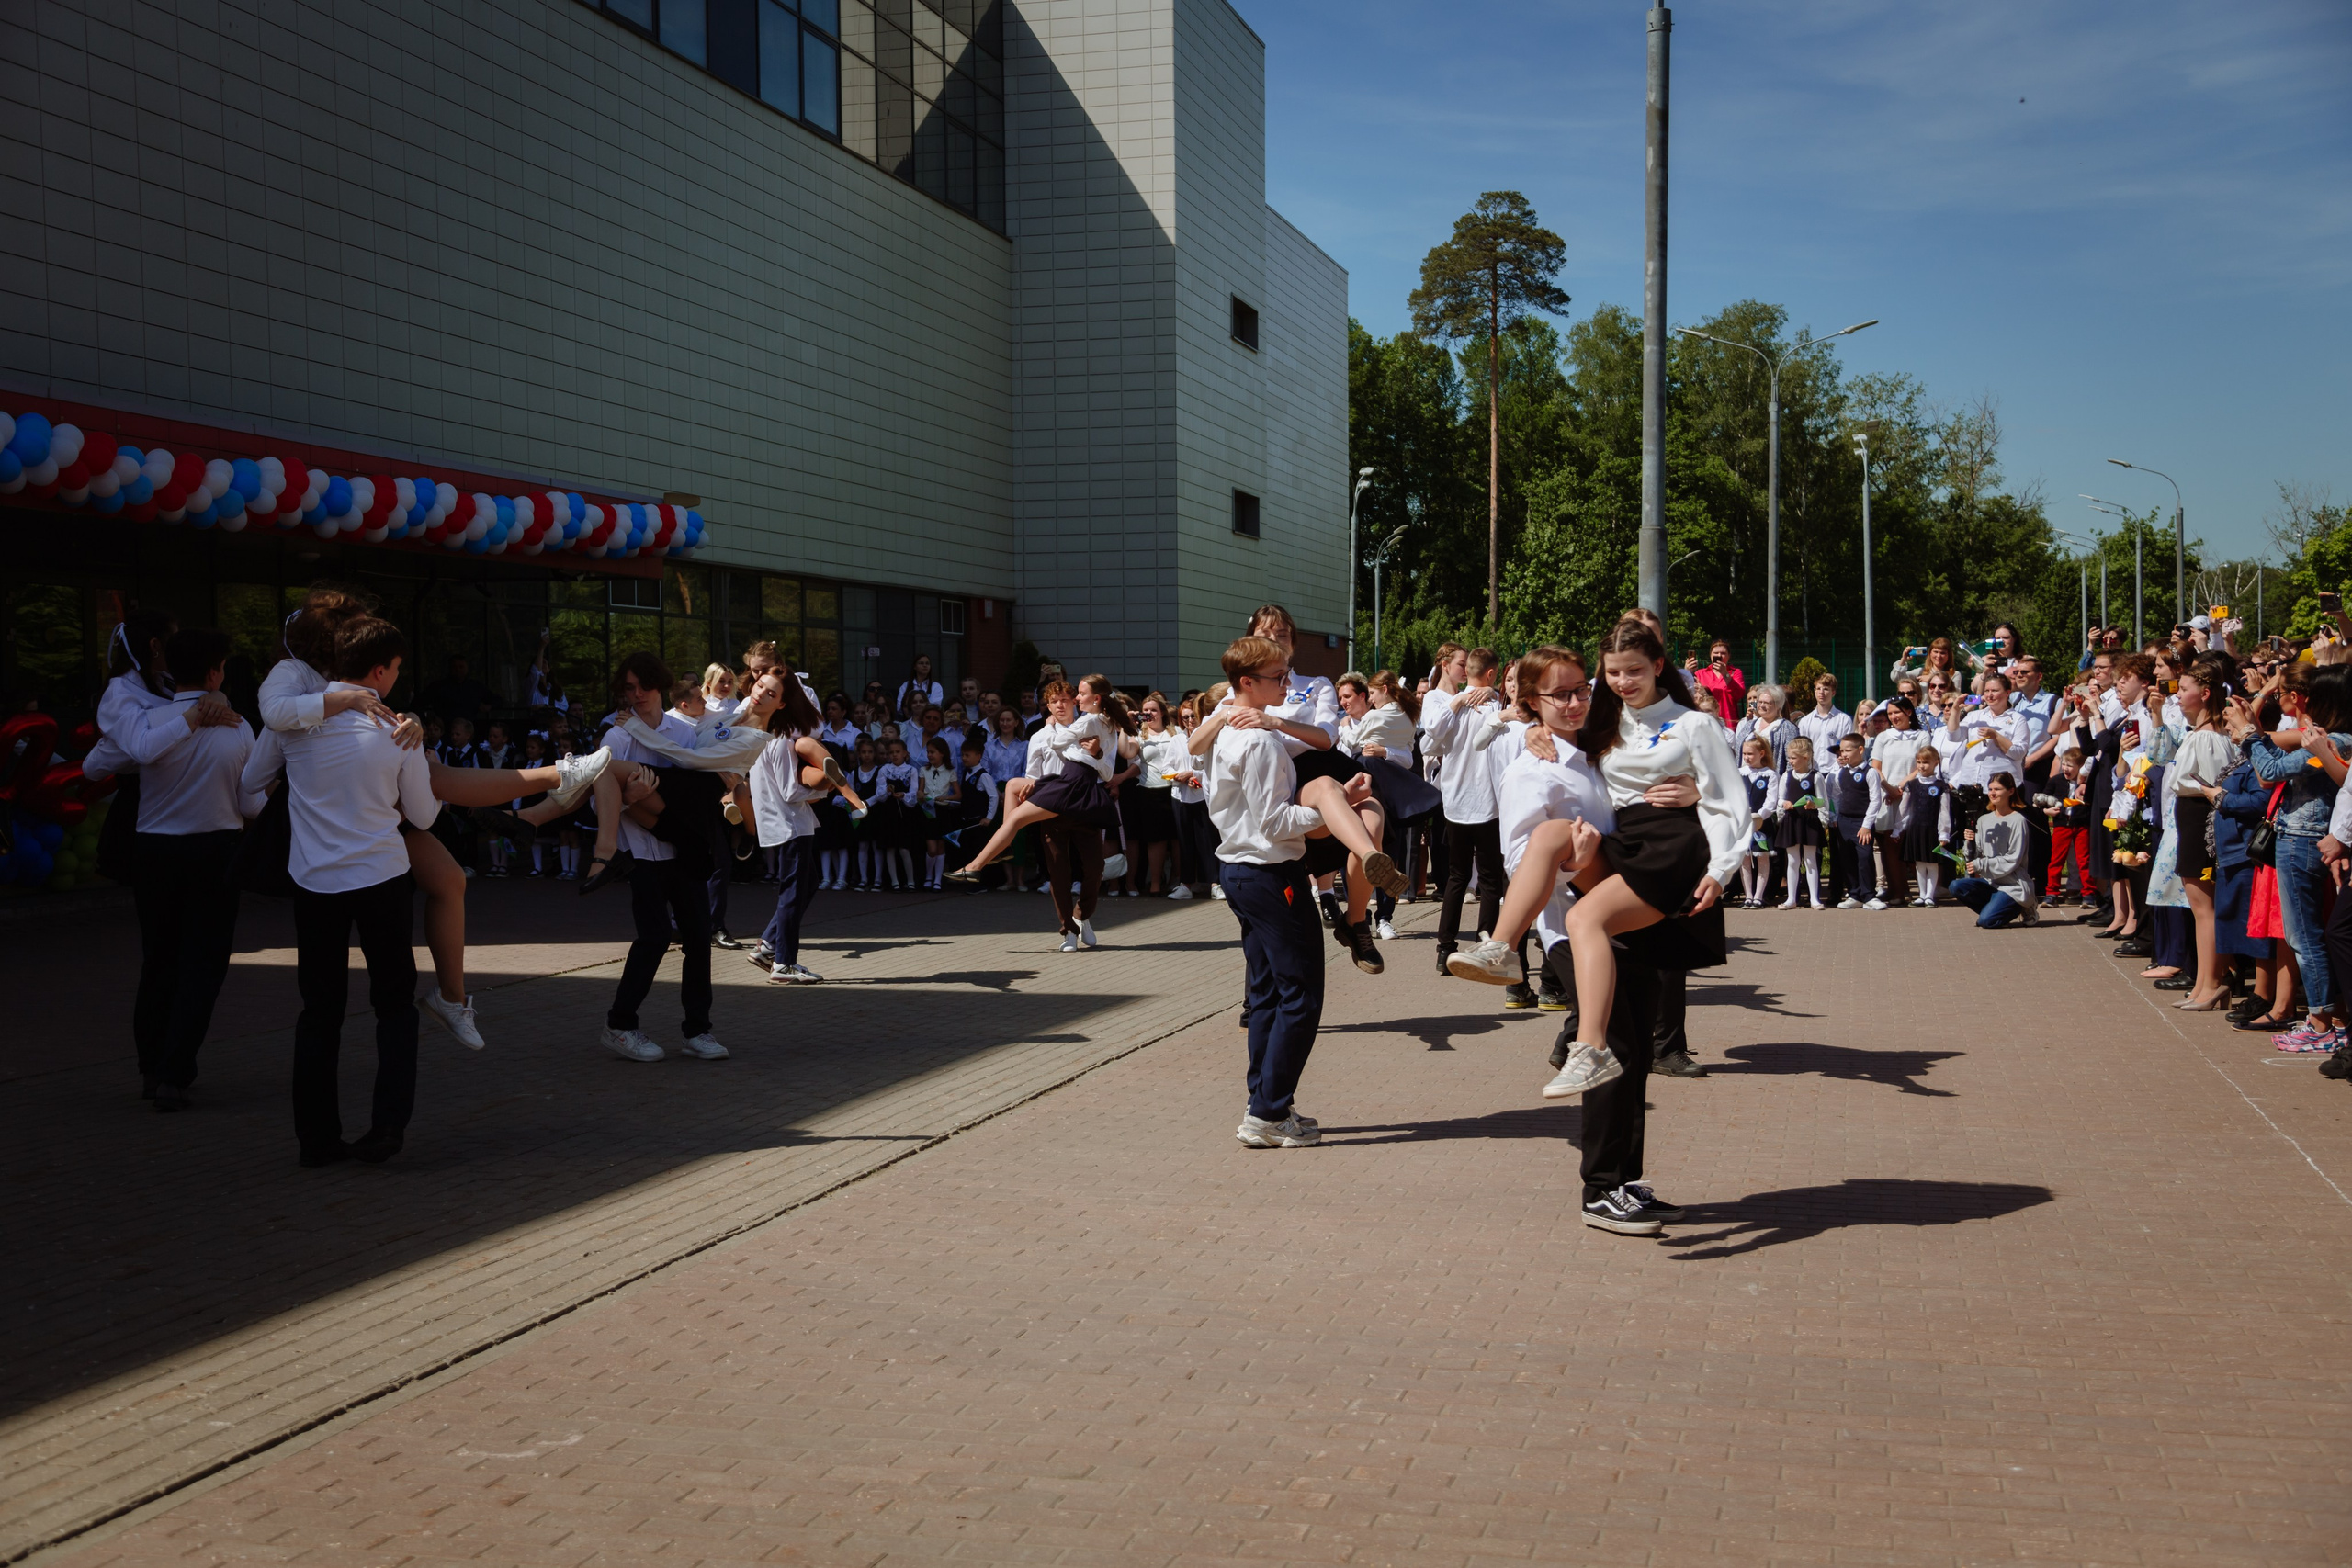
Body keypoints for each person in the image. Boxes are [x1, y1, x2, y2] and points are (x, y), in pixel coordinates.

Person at [1446, 620, 1744, 1100]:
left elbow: (1725, 792)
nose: (1576, 702)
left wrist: (1697, 798)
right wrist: (1572, 863)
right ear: (1533, 704)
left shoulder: (1621, 732)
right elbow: (1518, 855)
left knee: (1628, 1047)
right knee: (1555, 845)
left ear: (1657, 666)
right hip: (1592, 889)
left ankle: (1598, 1081)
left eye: (1581, 690)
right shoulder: (1552, 758)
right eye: (1560, 696)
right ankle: (1503, 949)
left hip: (1657, 862)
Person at [254, 617, 438, 1167]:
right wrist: (419, 753)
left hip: (315, 882)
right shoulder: (397, 729)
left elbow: (249, 781)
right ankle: (386, 1129)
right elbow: (425, 815)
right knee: (394, 1008)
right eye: (398, 669)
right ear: (379, 672)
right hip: (381, 878)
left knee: (319, 1011)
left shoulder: (296, 716)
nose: (398, 678)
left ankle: (316, 1140)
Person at [1182, 605, 1402, 970]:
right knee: (1269, 926)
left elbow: (1327, 738)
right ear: (1250, 640)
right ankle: (1257, 1001)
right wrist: (1222, 715)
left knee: (1374, 817)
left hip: (1320, 768)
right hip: (1286, 785)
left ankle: (1357, 920)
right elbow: (1194, 747)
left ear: (1294, 643)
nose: (1274, 641)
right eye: (1265, 635)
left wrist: (1274, 721)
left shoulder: (1314, 685)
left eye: (1281, 635)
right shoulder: (1236, 692)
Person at [1211, 635, 1363, 1149]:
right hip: (1269, 874)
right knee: (1300, 994)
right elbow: (1275, 822)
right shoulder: (1255, 740)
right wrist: (1334, 809)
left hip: (1242, 870)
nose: (1289, 685)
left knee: (1269, 995)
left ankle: (1268, 1105)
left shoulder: (1229, 729)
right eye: (1279, 678)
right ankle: (1268, 1113)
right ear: (1246, 683)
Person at [131, 628, 266, 1111]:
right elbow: (251, 803)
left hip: (153, 854)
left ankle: (152, 1067)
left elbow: (123, 755)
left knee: (159, 958)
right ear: (214, 673)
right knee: (202, 965)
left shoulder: (148, 719)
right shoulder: (237, 727)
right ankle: (174, 1072)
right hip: (214, 852)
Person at [593, 651, 729, 1065]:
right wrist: (630, 800)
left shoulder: (683, 732)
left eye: (644, 686)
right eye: (628, 688)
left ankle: (697, 1031)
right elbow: (598, 804)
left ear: (660, 686)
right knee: (652, 937)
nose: (637, 695)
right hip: (642, 853)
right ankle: (619, 1025)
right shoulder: (616, 738)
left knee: (699, 938)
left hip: (682, 848)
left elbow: (706, 784)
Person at [1423, 648, 1509, 974]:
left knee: (1460, 877)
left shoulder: (1491, 702)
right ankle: (1478, 949)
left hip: (1459, 801)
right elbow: (1430, 735)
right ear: (1490, 673)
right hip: (1481, 802)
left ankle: (1448, 949)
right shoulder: (1454, 703)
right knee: (1485, 880)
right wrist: (1463, 699)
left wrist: (1486, 694)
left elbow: (1431, 738)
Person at [2164, 658, 2236, 1010]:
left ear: (2205, 694)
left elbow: (2211, 786)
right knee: (2199, 908)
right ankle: (2202, 983)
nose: (2177, 696)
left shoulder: (2208, 738)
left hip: (2200, 818)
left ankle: (2213, 983)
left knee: (2204, 908)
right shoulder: (2201, 734)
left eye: (2184, 689)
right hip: (2191, 816)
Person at [1947, 773, 2038, 929]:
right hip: (1990, 882)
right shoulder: (1984, 820)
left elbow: (2013, 859)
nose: (1992, 793)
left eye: (1998, 789)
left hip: (2013, 885)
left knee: (1986, 922)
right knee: (1956, 886)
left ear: (2010, 791)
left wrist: (1980, 864)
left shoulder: (2018, 820)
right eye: (1990, 789)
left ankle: (2023, 905)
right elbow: (1974, 856)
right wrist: (1969, 843)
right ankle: (1993, 908)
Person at [1825, 731, 1886, 910]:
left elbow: (1875, 799)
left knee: (1864, 858)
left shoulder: (1870, 772)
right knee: (1847, 859)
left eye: (1847, 750)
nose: (1843, 754)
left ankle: (1869, 896)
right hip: (1844, 821)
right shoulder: (1839, 774)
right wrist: (1835, 817)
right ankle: (1854, 894)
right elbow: (1835, 795)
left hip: (1862, 823)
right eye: (1841, 751)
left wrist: (1867, 826)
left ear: (1860, 750)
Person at [1769, 737, 1828, 909]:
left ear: (1806, 757)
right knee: (1792, 861)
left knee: (1810, 861)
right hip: (1791, 820)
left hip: (1809, 821)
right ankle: (1791, 899)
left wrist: (1813, 804)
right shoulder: (1786, 776)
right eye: (1789, 757)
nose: (1790, 761)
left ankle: (1814, 899)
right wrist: (1784, 804)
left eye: (1794, 757)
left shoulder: (1816, 777)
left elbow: (1823, 801)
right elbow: (1779, 799)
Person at [1892, 746, 1955, 906]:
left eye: (1926, 762)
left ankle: (1930, 895)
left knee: (1932, 863)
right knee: (1919, 863)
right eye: (1919, 762)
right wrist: (1898, 829)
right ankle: (1922, 894)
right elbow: (1903, 809)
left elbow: (1944, 812)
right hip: (1915, 828)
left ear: (1936, 763)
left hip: (1932, 829)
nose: (1921, 766)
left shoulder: (1941, 786)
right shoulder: (1911, 785)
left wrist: (1944, 833)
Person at [1684, 639, 1745, 729]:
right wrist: (1686, 672)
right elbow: (1686, 694)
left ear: (1729, 656)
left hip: (1728, 721)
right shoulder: (1700, 673)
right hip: (1705, 721)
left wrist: (1725, 674)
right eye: (1716, 653)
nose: (1719, 656)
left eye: (1723, 653)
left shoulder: (1735, 673)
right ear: (1710, 655)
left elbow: (1739, 694)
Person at [1795, 672, 1852, 761]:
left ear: (1833, 693)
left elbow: (1848, 748)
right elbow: (1802, 749)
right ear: (1815, 692)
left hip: (1836, 771)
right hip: (1812, 771)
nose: (1821, 692)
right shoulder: (1805, 722)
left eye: (1826, 689)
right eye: (1818, 689)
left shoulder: (1844, 720)